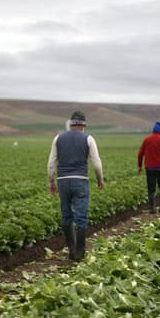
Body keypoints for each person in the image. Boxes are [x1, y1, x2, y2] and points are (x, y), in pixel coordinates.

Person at [48, 110, 104, 261]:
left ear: (71, 124)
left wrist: (51, 182)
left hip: (63, 181)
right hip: (80, 180)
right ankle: (80, 252)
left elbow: (51, 163)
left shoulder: (58, 138)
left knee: (67, 216)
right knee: (81, 217)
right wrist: (100, 179)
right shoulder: (89, 138)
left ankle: (71, 250)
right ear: (84, 125)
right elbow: (97, 164)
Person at [138, 121, 160, 213]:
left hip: (150, 168)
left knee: (151, 188)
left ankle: (152, 208)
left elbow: (140, 154)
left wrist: (139, 166)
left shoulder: (147, 140)